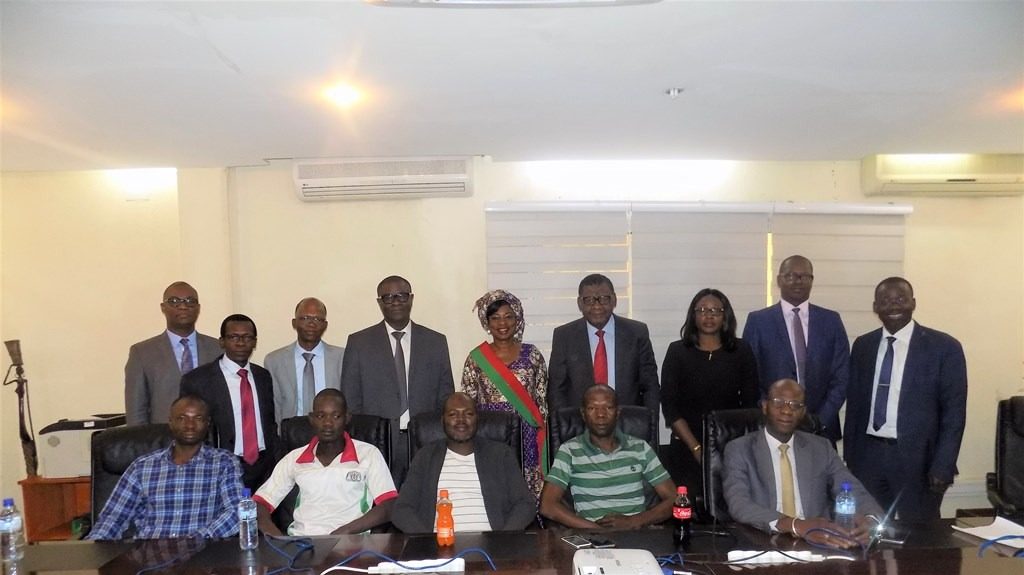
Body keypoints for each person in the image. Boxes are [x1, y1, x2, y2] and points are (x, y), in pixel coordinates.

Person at [843, 277, 967, 522]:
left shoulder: (944, 347)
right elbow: (855, 405)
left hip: (919, 461)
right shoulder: (863, 345)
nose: (893, 305)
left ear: (913, 303)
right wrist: (851, 459)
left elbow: (954, 414)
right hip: (869, 457)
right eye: (885, 300)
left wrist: (943, 464)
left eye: (901, 299)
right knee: (869, 529)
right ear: (875, 307)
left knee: (920, 533)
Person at [723, 380, 883, 547]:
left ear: (803, 412)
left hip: (819, 544)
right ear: (765, 406)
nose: (786, 411)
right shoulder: (740, 449)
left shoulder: (821, 447)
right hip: (764, 541)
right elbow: (739, 504)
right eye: (778, 403)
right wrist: (796, 525)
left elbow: (852, 488)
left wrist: (870, 520)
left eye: (795, 405)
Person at [341, 275, 455, 485]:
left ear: (411, 298)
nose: (395, 302)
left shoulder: (435, 342)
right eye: (388, 297)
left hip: (425, 440)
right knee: (382, 501)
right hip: (377, 443)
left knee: (424, 498)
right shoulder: (359, 343)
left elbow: (446, 397)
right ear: (379, 302)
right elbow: (351, 400)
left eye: (401, 296)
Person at [88, 395, 245, 540]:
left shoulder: (224, 463)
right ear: (171, 422)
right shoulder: (142, 467)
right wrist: (91, 550)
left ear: (207, 423)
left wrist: (194, 540)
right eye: (182, 418)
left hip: (201, 552)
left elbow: (236, 512)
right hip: (148, 554)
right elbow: (113, 517)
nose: (190, 425)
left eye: (198, 418)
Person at [254, 389, 396, 536]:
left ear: (347, 418)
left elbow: (389, 505)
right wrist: (278, 539)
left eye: (336, 416)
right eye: (321, 416)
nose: (328, 423)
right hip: (302, 542)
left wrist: (345, 531)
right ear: (311, 419)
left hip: (350, 542)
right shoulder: (294, 458)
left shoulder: (368, 454)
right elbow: (260, 503)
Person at [660, 288, 759, 495]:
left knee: (731, 504)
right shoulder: (677, 351)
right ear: (693, 315)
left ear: (725, 316)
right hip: (686, 446)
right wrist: (696, 449)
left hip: (731, 446)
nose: (709, 316)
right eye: (703, 310)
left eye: (715, 310)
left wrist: (732, 448)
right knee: (687, 506)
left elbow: (750, 406)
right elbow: (670, 408)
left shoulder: (741, 351)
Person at [393, 393, 536, 533]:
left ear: (477, 419)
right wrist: (426, 540)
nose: (461, 420)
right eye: (453, 414)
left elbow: (525, 504)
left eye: (468, 414)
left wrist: (503, 538)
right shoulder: (426, 456)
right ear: (443, 421)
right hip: (440, 543)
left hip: (493, 544)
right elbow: (401, 509)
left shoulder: (501, 454)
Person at [742, 255, 850, 441]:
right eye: (790, 276)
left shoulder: (831, 321)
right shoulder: (758, 321)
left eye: (804, 276)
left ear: (812, 280)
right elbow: (749, 376)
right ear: (779, 280)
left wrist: (820, 420)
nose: (798, 281)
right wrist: (771, 413)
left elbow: (842, 376)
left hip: (821, 428)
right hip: (771, 426)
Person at [540, 385, 675, 529]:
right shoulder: (569, 450)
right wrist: (597, 530)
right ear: (583, 414)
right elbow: (547, 506)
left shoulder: (640, 447)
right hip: (592, 536)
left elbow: (675, 498)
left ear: (618, 412)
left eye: (608, 407)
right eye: (592, 408)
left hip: (637, 534)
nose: (601, 414)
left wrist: (634, 521)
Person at [461, 289, 548, 499]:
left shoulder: (532, 354)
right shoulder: (476, 358)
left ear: (517, 319)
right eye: (495, 318)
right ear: (487, 322)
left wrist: (543, 439)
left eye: (508, 316)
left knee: (527, 492)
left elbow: (542, 402)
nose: (503, 323)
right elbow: (469, 402)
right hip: (490, 434)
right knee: (496, 489)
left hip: (528, 435)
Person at [180, 314, 280, 492]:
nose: (241, 343)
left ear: (254, 342)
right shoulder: (198, 380)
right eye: (234, 337)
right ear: (222, 342)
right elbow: (189, 429)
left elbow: (269, 421)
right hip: (219, 467)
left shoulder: (263, 376)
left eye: (247, 337)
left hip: (264, 466)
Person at [547, 274, 659, 415]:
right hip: (579, 423)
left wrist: (649, 423)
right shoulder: (564, 336)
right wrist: (562, 425)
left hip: (627, 422)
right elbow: (556, 390)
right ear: (580, 303)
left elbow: (650, 386)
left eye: (604, 298)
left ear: (614, 300)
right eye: (589, 300)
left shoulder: (636, 333)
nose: (597, 306)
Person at [124, 281, 220, 425]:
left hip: (211, 435)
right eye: (174, 301)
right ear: (163, 307)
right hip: (162, 435)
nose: (183, 306)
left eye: (190, 301)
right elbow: (136, 413)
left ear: (198, 308)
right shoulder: (142, 353)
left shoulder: (218, 349)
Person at [264, 297, 344, 426]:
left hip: (331, 431)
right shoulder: (274, 361)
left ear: (325, 325)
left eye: (317, 319)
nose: (311, 324)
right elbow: (275, 406)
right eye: (305, 318)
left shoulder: (342, 357)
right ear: (294, 323)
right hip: (291, 432)